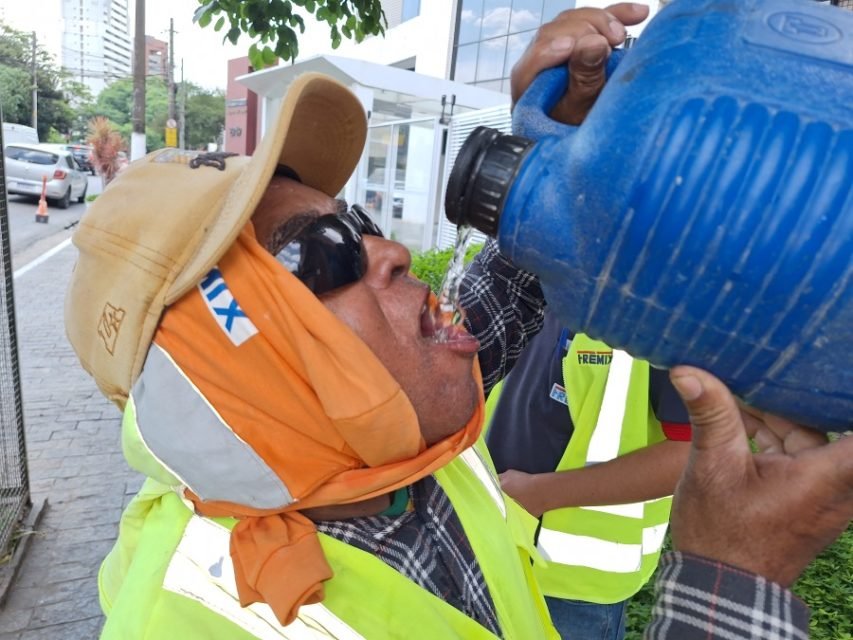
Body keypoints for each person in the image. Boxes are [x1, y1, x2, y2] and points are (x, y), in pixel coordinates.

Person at [62, 73, 852, 640]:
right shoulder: (204, 619)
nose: (395, 250)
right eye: (323, 250)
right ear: (227, 357)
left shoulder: (392, 443)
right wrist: (729, 586)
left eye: (362, 218)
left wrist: (574, 141)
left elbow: (508, 291)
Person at [461, 5, 690, 639]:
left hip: (577, 584)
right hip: (488, 540)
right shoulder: (550, 248)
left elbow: (692, 452)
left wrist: (541, 494)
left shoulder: (671, 288)